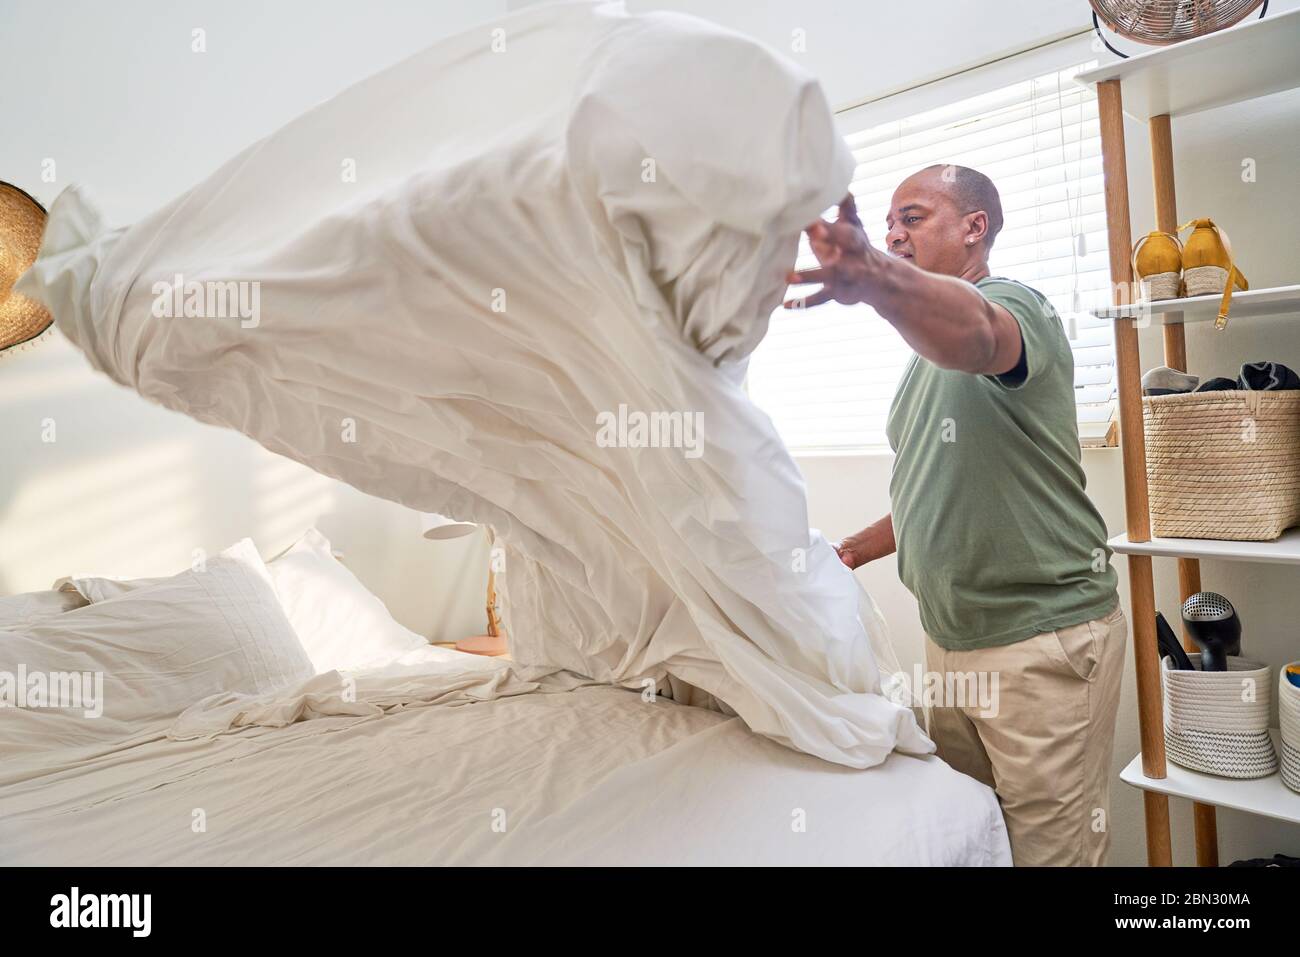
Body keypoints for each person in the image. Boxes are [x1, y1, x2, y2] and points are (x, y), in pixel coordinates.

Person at [786, 164, 1125, 866]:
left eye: (912, 217)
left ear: (975, 228)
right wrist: (851, 550)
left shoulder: (1011, 307)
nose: (892, 232)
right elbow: (936, 484)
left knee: (1050, 855)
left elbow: (978, 333)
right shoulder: (922, 362)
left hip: (1039, 641)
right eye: (888, 223)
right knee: (972, 837)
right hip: (952, 643)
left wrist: (877, 279)